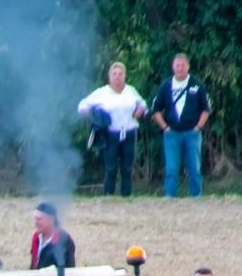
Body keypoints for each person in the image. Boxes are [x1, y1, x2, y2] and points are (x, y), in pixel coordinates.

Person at [77, 61, 148, 196]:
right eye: (114, 74)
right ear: (109, 76)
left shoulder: (131, 91)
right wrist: (92, 114)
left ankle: (126, 195)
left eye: (120, 74)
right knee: (111, 168)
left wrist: (140, 109)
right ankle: (108, 195)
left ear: (125, 76)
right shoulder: (102, 93)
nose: (117, 77)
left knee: (127, 168)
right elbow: (82, 106)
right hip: (110, 134)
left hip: (129, 132)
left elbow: (143, 104)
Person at [149, 53, 213, 198]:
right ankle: (170, 196)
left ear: (188, 66)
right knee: (171, 168)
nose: (180, 68)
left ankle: (196, 196)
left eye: (182, 65)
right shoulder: (166, 85)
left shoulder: (197, 84)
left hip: (192, 133)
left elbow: (206, 109)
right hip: (172, 133)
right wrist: (165, 127)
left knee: (194, 168)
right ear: (173, 67)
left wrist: (198, 127)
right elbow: (156, 110)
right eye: (177, 65)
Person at [28, 202, 76, 269]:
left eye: (39, 219)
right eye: (35, 219)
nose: (35, 223)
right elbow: (33, 264)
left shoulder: (63, 240)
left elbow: (69, 270)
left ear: (51, 220)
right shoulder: (36, 237)